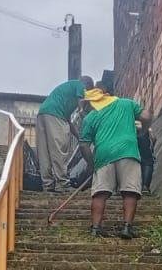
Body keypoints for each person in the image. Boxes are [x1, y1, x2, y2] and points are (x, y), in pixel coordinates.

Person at [80, 82, 150, 239]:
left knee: (100, 193)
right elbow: (146, 116)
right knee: (130, 191)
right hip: (127, 151)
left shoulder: (90, 117)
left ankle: (95, 228)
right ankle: (127, 228)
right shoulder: (126, 103)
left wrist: (92, 165)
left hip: (103, 155)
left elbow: (84, 145)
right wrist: (143, 130)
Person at [35, 74, 93, 191]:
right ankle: (63, 184)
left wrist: (79, 137)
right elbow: (81, 105)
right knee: (59, 149)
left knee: (44, 152)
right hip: (55, 116)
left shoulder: (66, 94)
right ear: (87, 86)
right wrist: (85, 116)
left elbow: (69, 121)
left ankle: (47, 185)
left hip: (42, 114)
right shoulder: (80, 84)